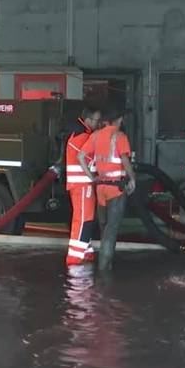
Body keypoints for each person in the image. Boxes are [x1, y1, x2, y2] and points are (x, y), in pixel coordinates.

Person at [79, 109, 136, 271]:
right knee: (111, 232)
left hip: (101, 188)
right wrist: (133, 178)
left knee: (104, 229)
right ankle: (104, 272)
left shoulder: (96, 135)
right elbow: (125, 161)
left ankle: (106, 266)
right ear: (119, 119)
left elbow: (80, 156)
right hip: (115, 189)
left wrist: (92, 177)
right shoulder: (120, 137)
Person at [63, 106, 101, 266]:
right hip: (82, 184)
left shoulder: (78, 132)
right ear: (87, 120)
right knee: (84, 219)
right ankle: (75, 257)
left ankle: (85, 251)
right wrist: (94, 176)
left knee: (84, 218)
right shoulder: (83, 136)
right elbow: (85, 158)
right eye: (96, 120)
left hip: (79, 184)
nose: (98, 124)